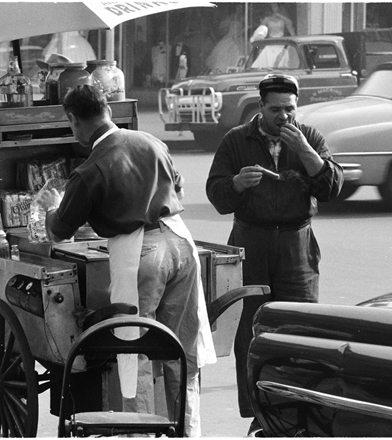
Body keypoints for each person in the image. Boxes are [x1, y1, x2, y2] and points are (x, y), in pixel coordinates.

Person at [37, 84, 216, 437]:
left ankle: (140, 434)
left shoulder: (91, 170)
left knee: (136, 350)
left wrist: (49, 208)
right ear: (107, 109)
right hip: (180, 243)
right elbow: (175, 187)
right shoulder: (151, 142)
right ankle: (187, 431)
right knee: (181, 348)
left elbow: (59, 231)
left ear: (74, 120)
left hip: (142, 255)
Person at [205, 74, 344, 434]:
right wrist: (235, 183)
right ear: (261, 107)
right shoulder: (237, 140)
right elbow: (216, 195)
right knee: (251, 333)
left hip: (297, 247)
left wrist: (306, 152)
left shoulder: (309, 137)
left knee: (302, 328)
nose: (284, 117)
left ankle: (303, 410)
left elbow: (332, 186)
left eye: (290, 109)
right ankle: (258, 415)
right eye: (276, 109)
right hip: (251, 243)